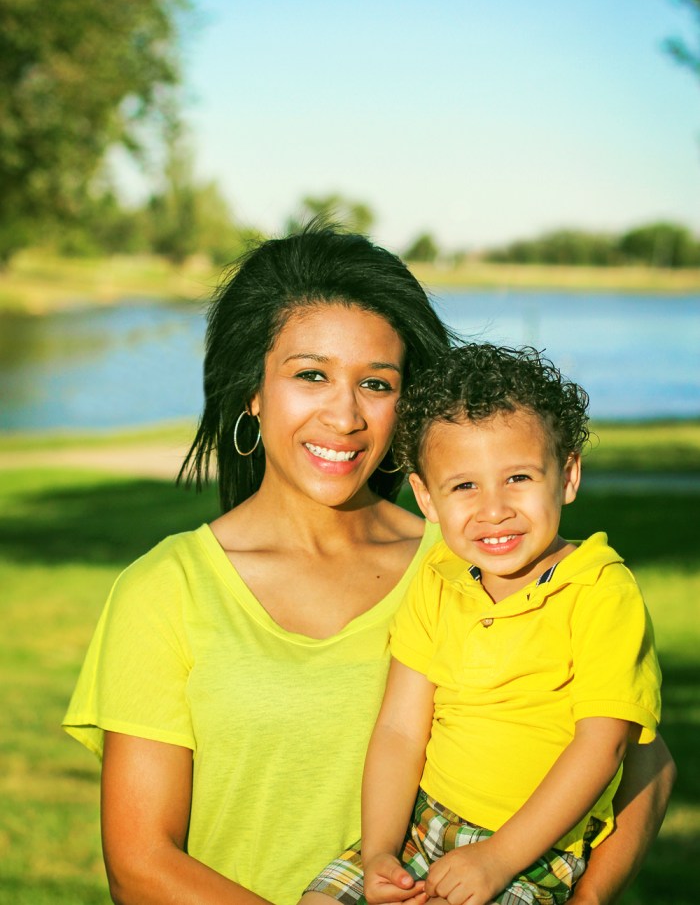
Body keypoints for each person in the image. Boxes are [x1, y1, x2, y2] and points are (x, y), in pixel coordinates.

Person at [62, 227, 674, 905]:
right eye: (311, 374)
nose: (345, 415)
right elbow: (140, 866)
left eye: (376, 384)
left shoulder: (473, 566)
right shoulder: (164, 590)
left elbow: (647, 764)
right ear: (254, 392)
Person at [304, 343, 662, 905]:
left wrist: (499, 858)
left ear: (566, 476)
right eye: (464, 486)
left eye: (518, 477)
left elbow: (603, 746)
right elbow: (400, 729)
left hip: (532, 849)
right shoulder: (439, 577)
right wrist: (379, 852)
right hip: (422, 828)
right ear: (426, 497)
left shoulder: (599, 590)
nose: (493, 509)